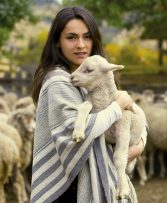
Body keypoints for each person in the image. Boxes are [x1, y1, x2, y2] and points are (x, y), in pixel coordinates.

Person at [30, 6, 146, 203]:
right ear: (57, 42)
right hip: (68, 189)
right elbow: (72, 134)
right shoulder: (59, 81)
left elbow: (133, 115)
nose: (81, 45)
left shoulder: (96, 77)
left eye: (87, 37)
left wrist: (140, 142)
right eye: (71, 37)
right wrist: (117, 107)